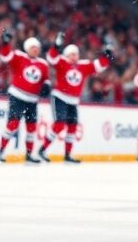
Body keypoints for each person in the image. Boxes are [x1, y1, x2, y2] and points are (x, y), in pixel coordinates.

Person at [38, 32, 111, 164]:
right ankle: (42, 149)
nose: (74, 56)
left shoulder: (83, 65)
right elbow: (51, 57)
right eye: (71, 54)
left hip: (73, 100)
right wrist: (56, 45)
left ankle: (67, 154)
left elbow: (99, 66)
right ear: (66, 55)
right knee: (59, 124)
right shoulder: (62, 62)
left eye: (76, 53)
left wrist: (107, 54)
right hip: (60, 96)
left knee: (72, 126)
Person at [0, 32, 51, 164]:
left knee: (31, 128)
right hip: (17, 96)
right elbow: (5, 56)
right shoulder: (19, 56)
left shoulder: (43, 64)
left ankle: (29, 155)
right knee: (12, 125)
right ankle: (1, 151)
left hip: (32, 100)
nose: (35, 49)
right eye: (33, 47)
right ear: (27, 48)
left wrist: (47, 86)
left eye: (37, 47)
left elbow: (45, 80)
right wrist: (5, 43)